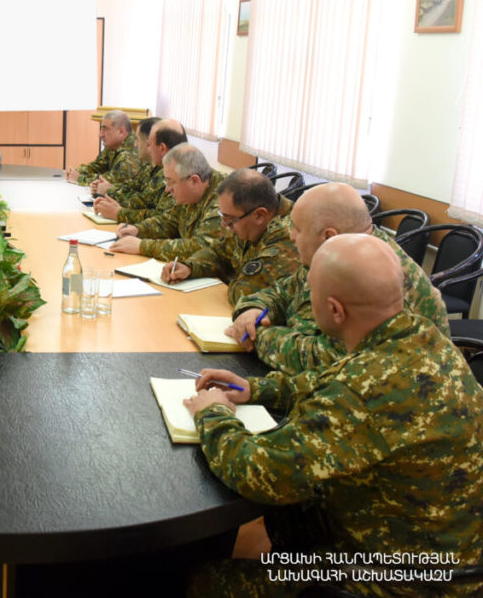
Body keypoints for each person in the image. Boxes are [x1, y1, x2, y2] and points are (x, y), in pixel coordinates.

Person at [184, 234, 483, 597]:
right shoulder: (425, 339)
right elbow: (336, 377)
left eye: (310, 297)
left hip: (398, 581)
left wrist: (212, 414)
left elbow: (255, 470)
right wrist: (256, 389)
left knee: (204, 582)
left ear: (336, 311)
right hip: (450, 558)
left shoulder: (360, 391)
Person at [226, 182, 450, 376]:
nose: (291, 236)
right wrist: (253, 309)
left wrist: (257, 336)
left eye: (297, 229)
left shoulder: (371, 273)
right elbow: (282, 291)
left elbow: (326, 361)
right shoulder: (335, 253)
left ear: (328, 236)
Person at [162, 168, 301, 305]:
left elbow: (245, 292)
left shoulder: (289, 237)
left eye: (229, 218)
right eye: (223, 215)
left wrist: (229, 276)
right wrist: (189, 267)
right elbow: (219, 252)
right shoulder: (248, 221)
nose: (224, 225)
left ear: (259, 215)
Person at [109, 144, 226, 261]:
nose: (167, 189)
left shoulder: (223, 200)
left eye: (171, 181)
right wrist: (138, 229)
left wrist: (143, 246)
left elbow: (202, 248)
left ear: (194, 181)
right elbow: (170, 221)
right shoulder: (190, 191)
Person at [94, 118, 185, 223]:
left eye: (149, 144)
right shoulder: (155, 167)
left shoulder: (174, 174)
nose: (135, 145)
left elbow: (163, 220)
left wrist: (119, 212)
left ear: (162, 148)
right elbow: (133, 189)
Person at [64, 110, 139, 191]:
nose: (100, 135)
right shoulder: (114, 146)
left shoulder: (129, 154)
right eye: (101, 129)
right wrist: (76, 171)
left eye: (105, 129)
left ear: (121, 132)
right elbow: (97, 165)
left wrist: (79, 178)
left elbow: (109, 183)